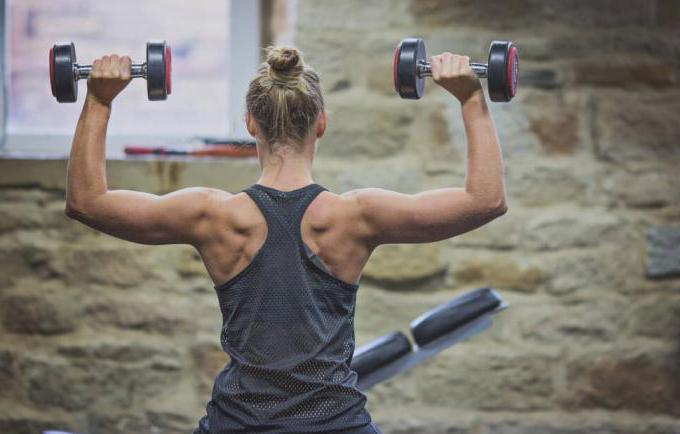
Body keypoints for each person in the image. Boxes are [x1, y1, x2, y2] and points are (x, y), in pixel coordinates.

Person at [64, 45, 507, 433]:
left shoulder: (210, 215)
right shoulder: (355, 217)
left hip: (236, 424)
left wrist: (99, 101)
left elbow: (87, 201)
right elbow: (485, 200)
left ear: (250, 124)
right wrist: (470, 96)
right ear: (321, 124)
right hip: (336, 424)